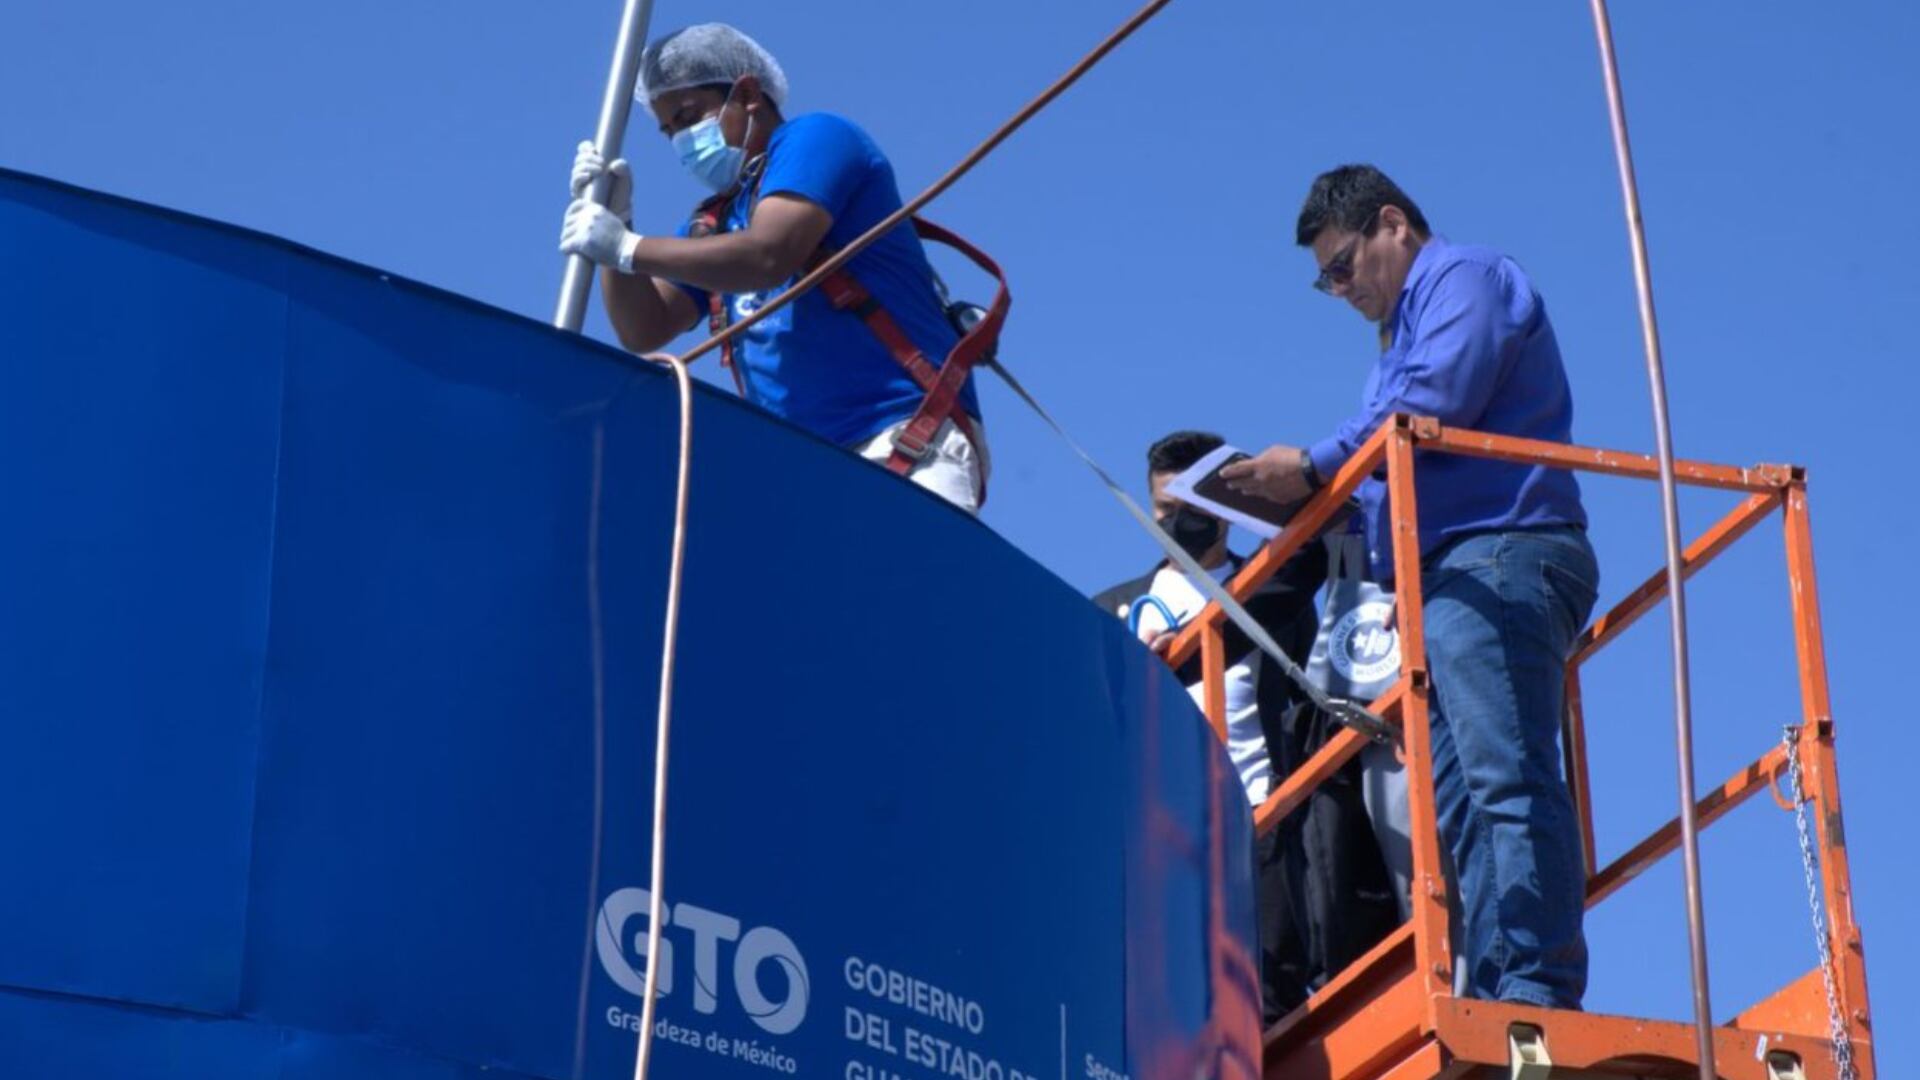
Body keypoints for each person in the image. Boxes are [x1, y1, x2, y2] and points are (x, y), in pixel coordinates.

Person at [1220, 165, 1599, 1010]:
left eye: (1343, 265)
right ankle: (1505, 988)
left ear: (1393, 223)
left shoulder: (1466, 279)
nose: (1340, 289)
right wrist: (1292, 504)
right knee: (1463, 801)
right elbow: (1381, 476)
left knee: (1504, 778)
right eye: (1326, 279)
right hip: (1447, 576)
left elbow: (1436, 402)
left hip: (1497, 554)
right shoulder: (1396, 345)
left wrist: (1314, 465)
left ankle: (1535, 986)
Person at [558, 24, 989, 512]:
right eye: (669, 130)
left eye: (689, 117)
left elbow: (769, 254)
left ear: (746, 95)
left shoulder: (818, 138)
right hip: (805, 473)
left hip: (905, 438)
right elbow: (644, 327)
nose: (681, 139)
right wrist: (617, 227)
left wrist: (628, 247)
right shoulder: (715, 224)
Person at [1092, 430, 1395, 1022]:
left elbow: (1311, 702)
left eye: (1190, 509)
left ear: (1223, 508)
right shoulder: (1115, 609)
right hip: (1161, 834)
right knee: (1169, 1001)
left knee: (1268, 993)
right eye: (1163, 511)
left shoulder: (1272, 589)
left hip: (1260, 819)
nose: (1176, 524)